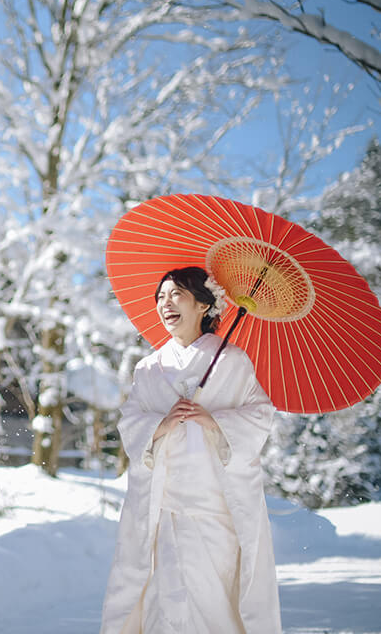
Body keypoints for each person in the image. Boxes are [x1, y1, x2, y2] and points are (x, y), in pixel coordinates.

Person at [101, 266, 281, 634]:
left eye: (177, 295)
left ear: (203, 304)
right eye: (161, 297)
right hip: (163, 509)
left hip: (215, 510)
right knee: (162, 606)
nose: (166, 303)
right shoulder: (148, 368)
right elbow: (129, 421)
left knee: (215, 607)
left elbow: (260, 416)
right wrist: (160, 425)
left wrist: (214, 420)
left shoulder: (232, 361)